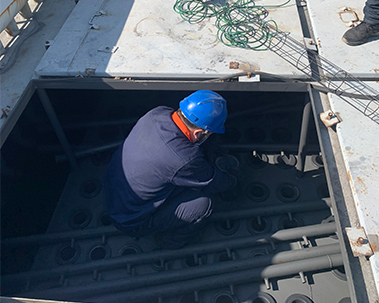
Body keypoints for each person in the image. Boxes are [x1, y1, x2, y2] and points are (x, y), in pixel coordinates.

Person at [102, 90, 235, 249]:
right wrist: (232, 181)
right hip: (131, 220)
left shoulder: (157, 113)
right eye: (209, 133)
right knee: (203, 205)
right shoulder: (184, 159)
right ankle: (170, 242)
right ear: (199, 132)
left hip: (114, 192)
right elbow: (212, 181)